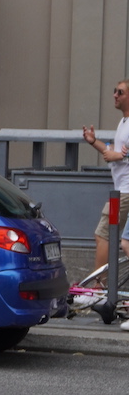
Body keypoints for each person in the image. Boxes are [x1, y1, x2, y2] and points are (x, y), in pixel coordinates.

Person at [82, 78, 129, 284]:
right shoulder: (123, 122)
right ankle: (106, 288)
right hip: (121, 190)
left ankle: (99, 287)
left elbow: (120, 155)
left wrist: (119, 156)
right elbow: (114, 153)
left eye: (120, 92)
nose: (115, 95)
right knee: (123, 242)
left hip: (125, 192)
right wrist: (94, 142)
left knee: (103, 234)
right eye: (114, 91)